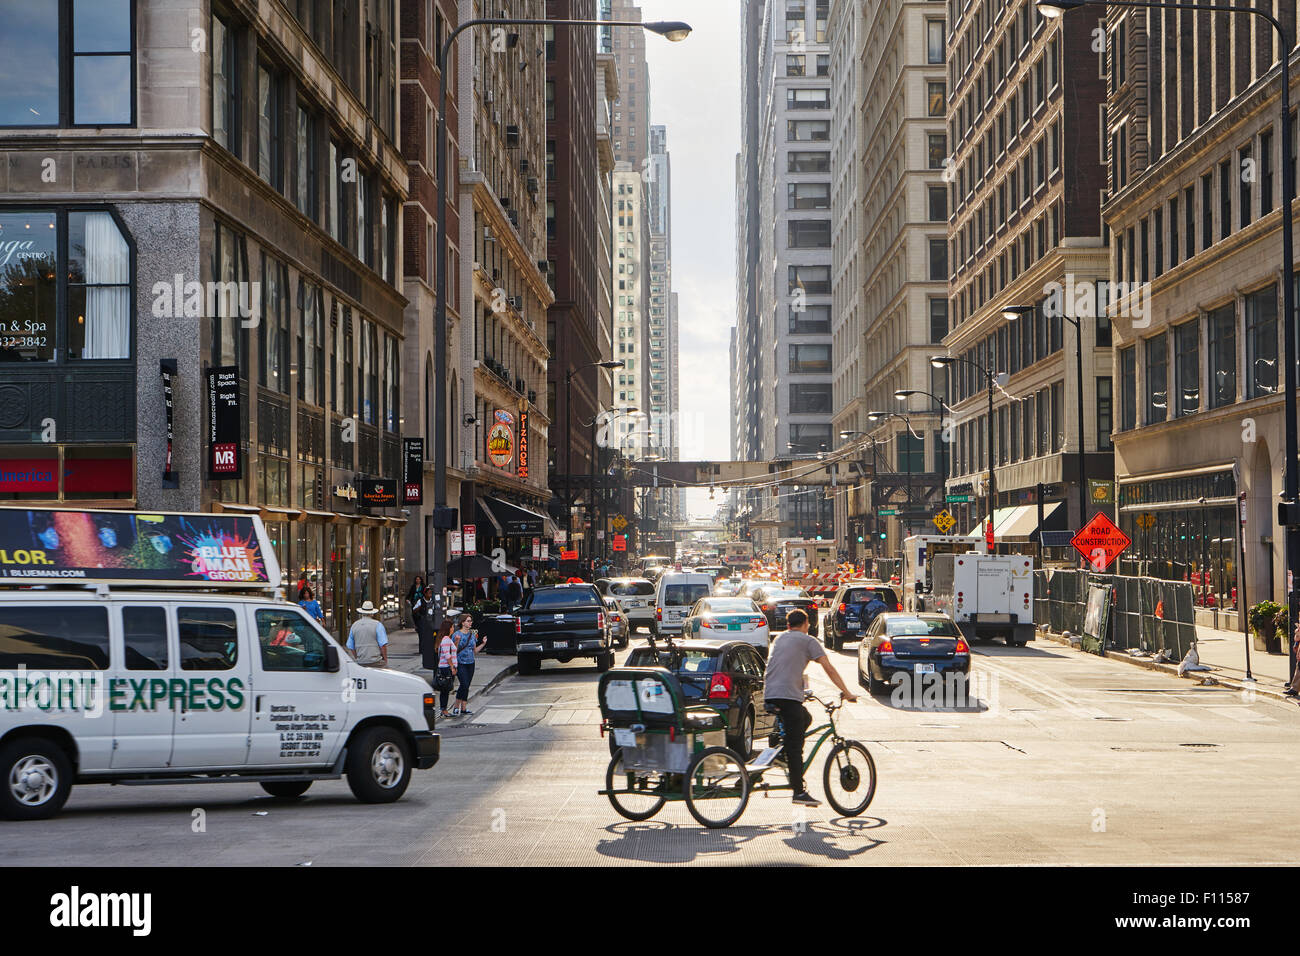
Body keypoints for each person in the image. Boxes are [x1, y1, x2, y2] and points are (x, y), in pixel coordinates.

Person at [764, 608, 857, 807]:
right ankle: (799, 791)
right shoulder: (808, 641)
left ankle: (781, 753)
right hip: (787, 696)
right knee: (796, 746)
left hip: (771, 693)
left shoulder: (780, 638)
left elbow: (785, 666)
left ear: (788, 625)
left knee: (805, 718)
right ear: (806, 625)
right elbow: (828, 668)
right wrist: (847, 692)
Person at [448, 614, 488, 716]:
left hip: (471, 663)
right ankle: (456, 706)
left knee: (466, 686)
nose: (470, 623)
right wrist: (456, 642)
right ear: (462, 622)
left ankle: (463, 708)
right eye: (468, 621)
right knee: (464, 684)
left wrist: (483, 644)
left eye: (471, 621)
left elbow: (474, 651)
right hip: (460, 663)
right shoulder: (456, 635)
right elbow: (453, 651)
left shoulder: (472, 635)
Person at [347, 601, 389, 668]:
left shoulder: (354, 625)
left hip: (360, 662)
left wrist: (358, 658)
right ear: (372, 613)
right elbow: (383, 645)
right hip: (376, 661)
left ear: (362, 612)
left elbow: (350, 646)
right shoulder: (377, 625)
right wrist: (385, 660)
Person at [436, 627, 458, 717]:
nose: (453, 628)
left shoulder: (448, 639)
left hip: (447, 667)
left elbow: (453, 651)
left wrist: (456, 641)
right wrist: (452, 667)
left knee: (447, 689)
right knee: (445, 689)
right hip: (445, 668)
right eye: (452, 627)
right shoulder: (445, 639)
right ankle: (443, 710)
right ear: (448, 628)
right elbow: (447, 655)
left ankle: (444, 709)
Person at [413, 585, 438, 669]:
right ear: (425, 593)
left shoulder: (433, 601)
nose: (430, 594)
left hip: (430, 621)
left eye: (431, 593)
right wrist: (420, 608)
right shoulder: (420, 601)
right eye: (429, 593)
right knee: (422, 635)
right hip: (423, 620)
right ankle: (422, 649)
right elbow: (414, 610)